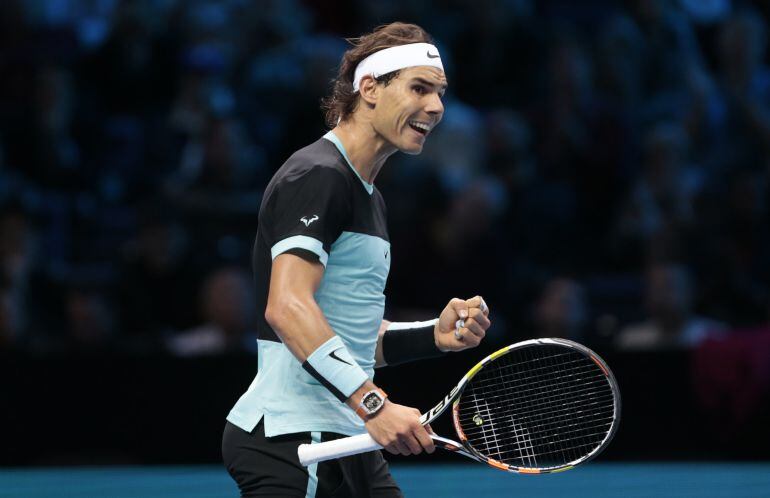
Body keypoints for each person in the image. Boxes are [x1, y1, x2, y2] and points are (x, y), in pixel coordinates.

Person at [221, 22, 491, 497]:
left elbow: (347, 337)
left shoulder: (369, 195)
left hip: (346, 442)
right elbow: (287, 308)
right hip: (294, 443)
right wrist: (375, 406)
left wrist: (434, 336)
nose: (436, 107)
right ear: (369, 88)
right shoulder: (318, 175)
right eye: (419, 88)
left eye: (440, 93)